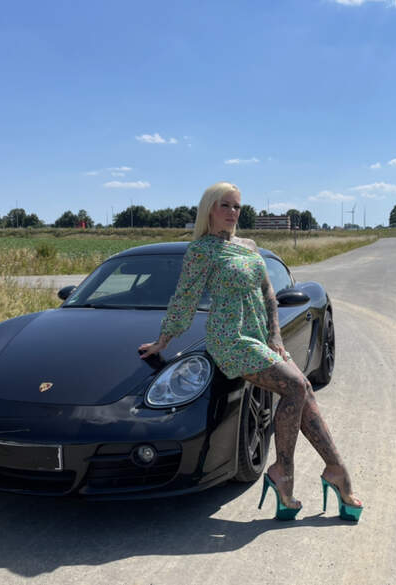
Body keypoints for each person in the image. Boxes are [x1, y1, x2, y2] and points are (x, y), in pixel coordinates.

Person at [138, 181, 363, 521]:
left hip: (259, 336)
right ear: (209, 209)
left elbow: (269, 294)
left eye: (237, 206)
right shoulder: (201, 251)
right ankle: (288, 473)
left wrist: (276, 338)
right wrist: (163, 341)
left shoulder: (248, 246)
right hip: (230, 338)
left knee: (304, 391)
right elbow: (184, 299)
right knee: (296, 386)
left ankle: (332, 470)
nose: (232, 212)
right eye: (225, 205)